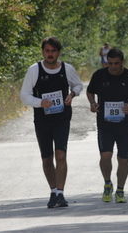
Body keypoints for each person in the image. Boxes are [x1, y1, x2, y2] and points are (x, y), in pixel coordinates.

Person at [20, 37, 83, 208]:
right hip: (42, 119)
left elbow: (78, 85)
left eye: (53, 51)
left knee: (61, 154)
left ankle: (61, 193)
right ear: (43, 52)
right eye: (47, 51)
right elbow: (24, 95)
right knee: (47, 159)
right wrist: (40, 102)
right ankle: (53, 191)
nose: (50, 54)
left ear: (58, 52)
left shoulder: (67, 69)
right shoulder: (34, 70)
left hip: (62, 117)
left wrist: (72, 95)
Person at [87, 48, 128, 204]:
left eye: (116, 63)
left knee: (123, 159)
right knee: (105, 156)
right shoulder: (99, 75)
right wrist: (92, 103)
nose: (112, 67)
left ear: (122, 62)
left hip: (125, 125)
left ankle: (120, 190)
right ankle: (107, 183)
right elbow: (90, 91)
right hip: (105, 124)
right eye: (110, 63)